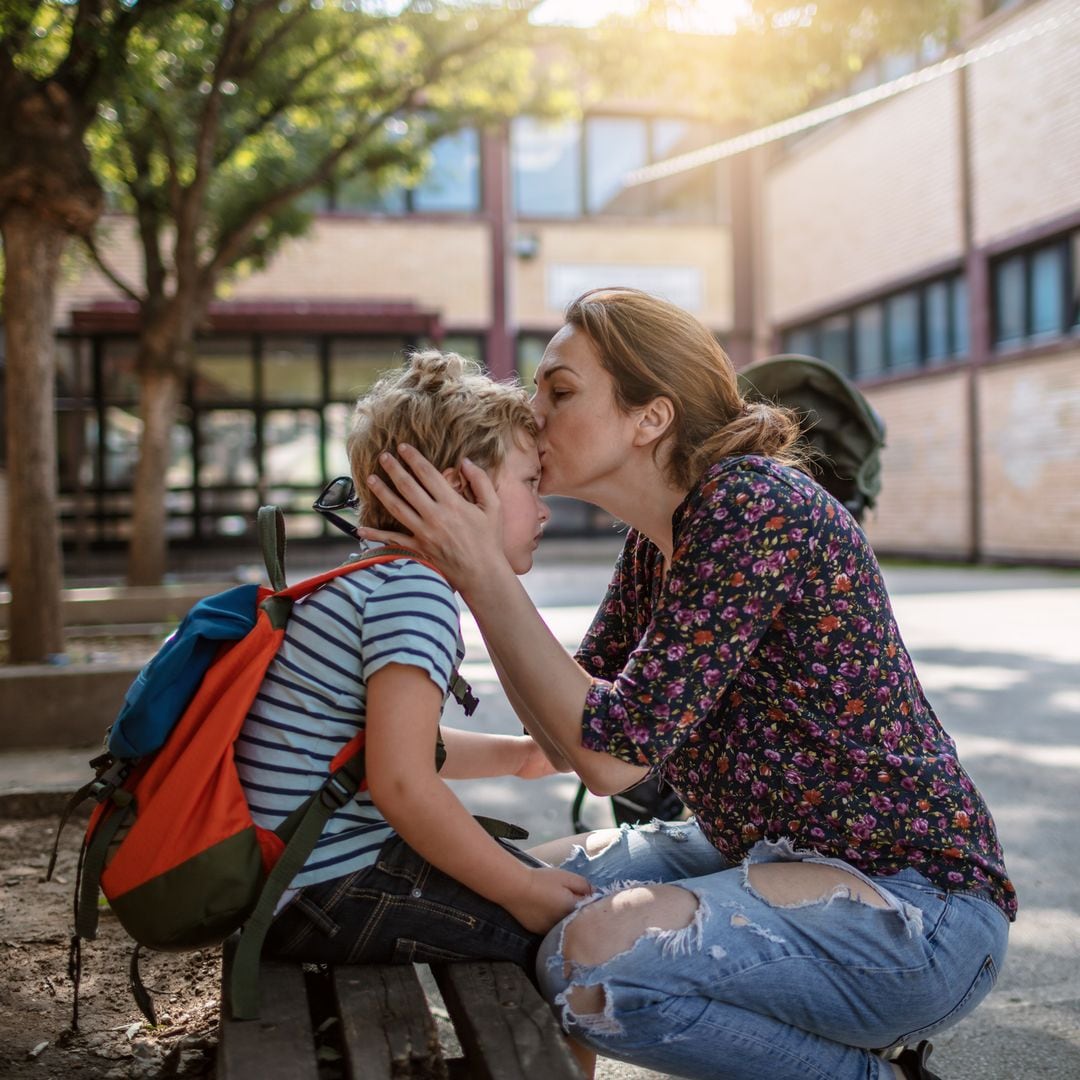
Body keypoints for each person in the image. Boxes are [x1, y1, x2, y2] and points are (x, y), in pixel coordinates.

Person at [357, 289, 1016, 1080]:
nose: (532, 415)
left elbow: (611, 758)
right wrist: (467, 566)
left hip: (916, 907)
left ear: (650, 417)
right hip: (769, 850)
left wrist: (483, 570)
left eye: (560, 391)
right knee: (522, 893)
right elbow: (566, 732)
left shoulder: (751, 505)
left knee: (592, 959)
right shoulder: (655, 542)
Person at [237, 350, 591, 973]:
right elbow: (402, 783)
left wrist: (515, 756)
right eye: (530, 483)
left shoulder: (371, 577)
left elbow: (382, 749)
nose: (544, 509)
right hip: (325, 887)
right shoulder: (416, 592)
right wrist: (521, 891)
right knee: (574, 945)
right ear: (460, 490)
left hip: (294, 881)